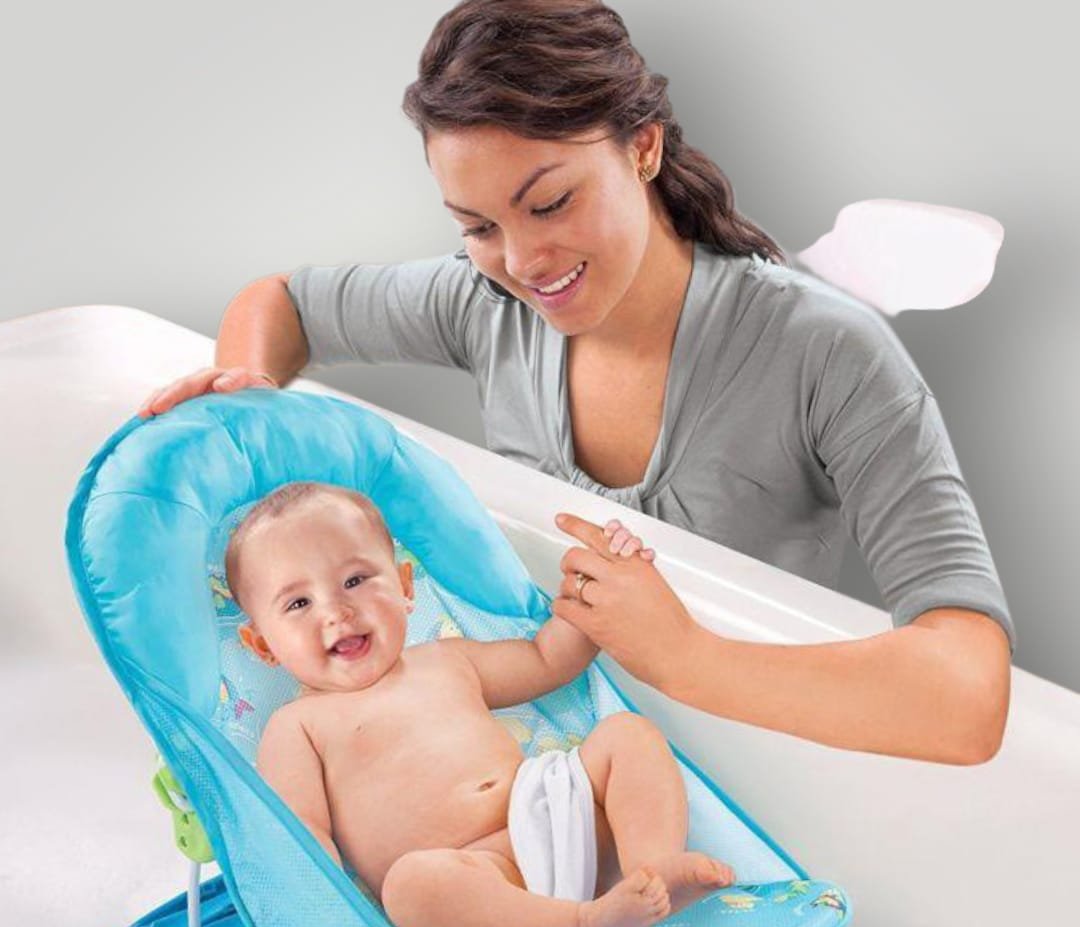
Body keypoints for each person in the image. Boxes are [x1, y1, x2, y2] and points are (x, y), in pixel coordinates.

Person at [140, 0, 1013, 767]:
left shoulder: (828, 354)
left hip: (760, 762)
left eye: (550, 203)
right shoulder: (486, 302)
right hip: (551, 744)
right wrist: (246, 401)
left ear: (644, 146)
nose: (523, 262)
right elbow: (284, 302)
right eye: (479, 226)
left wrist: (686, 658)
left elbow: (970, 693)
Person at [226, 481, 735, 927]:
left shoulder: (445, 659)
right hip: (473, 880)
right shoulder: (296, 727)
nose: (336, 611)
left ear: (404, 587)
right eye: (299, 603)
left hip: (555, 818)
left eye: (355, 581)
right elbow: (301, 837)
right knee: (410, 887)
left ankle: (653, 871)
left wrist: (595, 592)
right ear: (263, 645)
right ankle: (582, 926)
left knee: (627, 735)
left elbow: (546, 660)